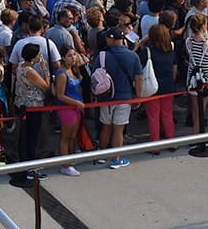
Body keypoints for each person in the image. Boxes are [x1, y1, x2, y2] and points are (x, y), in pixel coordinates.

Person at [92, 26, 143, 169]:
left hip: (105, 98)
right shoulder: (133, 56)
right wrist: (137, 97)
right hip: (125, 98)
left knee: (105, 128)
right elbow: (139, 78)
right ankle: (116, 159)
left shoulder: (102, 56)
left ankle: (101, 155)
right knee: (119, 130)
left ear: (111, 39)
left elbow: (94, 76)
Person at [14, 42, 51, 179]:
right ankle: (31, 168)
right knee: (32, 138)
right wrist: (44, 68)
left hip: (22, 105)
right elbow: (46, 87)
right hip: (33, 106)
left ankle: (27, 164)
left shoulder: (20, 66)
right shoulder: (31, 72)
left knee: (27, 137)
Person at [141, 21, 176, 154]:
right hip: (168, 86)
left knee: (153, 116)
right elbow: (174, 67)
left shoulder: (147, 52)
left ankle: (155, 145)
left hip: (152, 88)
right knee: (167, 115)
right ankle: (172, 142)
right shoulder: (171, 49)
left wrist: (140, 44)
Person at [52, 47, 86, 175]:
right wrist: (76, 103)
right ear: (63, 58)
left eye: (74, 54)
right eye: (69, 55)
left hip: (76, 107)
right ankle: (65, 165)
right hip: (67, 109)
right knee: (66, 137)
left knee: (72, 136)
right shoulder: (61, 74)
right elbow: (60, 95)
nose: (73, 57)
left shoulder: (73, 70)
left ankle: (70, 158)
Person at [185, 13, 208, 143]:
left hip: (192, 79)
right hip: (206, 80)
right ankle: (198, 137)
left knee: (194, 109)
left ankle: (195, 134)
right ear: (204, 26)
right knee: (201, 109)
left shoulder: (188, 42)